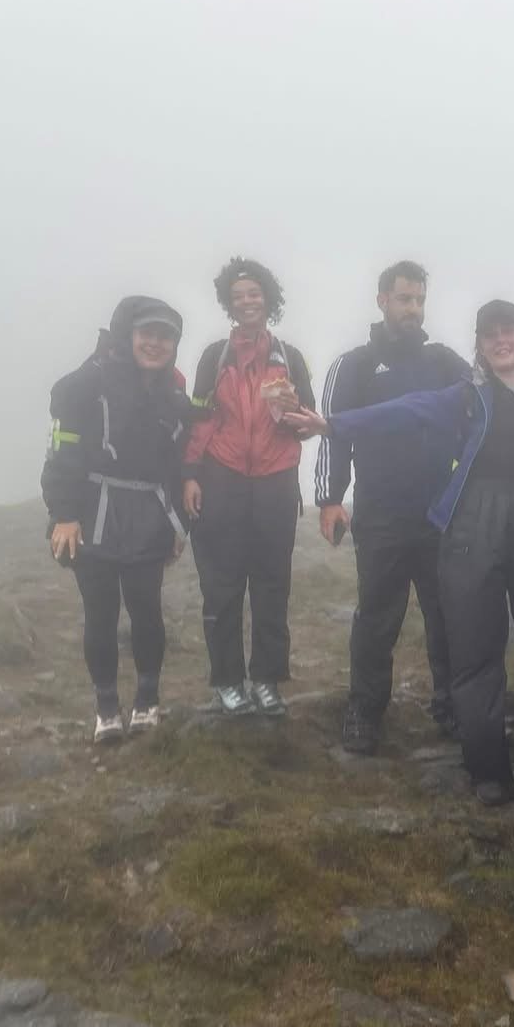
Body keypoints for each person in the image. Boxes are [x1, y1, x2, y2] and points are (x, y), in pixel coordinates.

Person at [287, 300, 514, 805]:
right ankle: (488, 769)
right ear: (479, 345)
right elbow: (406, 410)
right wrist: (332, 425)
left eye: (509, 332)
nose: (501, 341)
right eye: (490, 335)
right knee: (477, 648)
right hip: (474, 524)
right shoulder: (466, 396)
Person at [314, 261, 471, 753]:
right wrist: (329, 499)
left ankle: (451, 705)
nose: (413, 309)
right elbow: (331, 432)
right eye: (404, 299)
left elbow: (485, 395)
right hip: (381, 514)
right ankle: (365, 709)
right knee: (378, 616)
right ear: (382, 300)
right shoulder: (354, 364)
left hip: (439, 513)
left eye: (419, 300)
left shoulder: (443, 361)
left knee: (446, 613)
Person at [42, 296, 189, 743]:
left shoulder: (173, 395)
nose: (155, 344)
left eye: (166, 337)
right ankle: (106, 707)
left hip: (149, 516)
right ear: (128, 336)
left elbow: (176, 466)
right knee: (100, 614)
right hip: (94, 513)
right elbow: (62, 452)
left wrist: (178, 525)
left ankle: (147, 700)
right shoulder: (90, 384)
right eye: (147, 334)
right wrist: (64, 515)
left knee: (147, 611)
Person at [184, 257, 316, 719]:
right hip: (223, 478)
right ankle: (227, 681)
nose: (247, 301)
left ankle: (266, 680)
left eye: (254, 293)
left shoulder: (289, 357)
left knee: (272, 585)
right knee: (222, 586)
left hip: (276, 482)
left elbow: (309, 425)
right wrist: (191, 475)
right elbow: (198, 420)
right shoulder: (213, 358)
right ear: (229, 303)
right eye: (238, 295)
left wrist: (293, 408)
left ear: (267, 299)